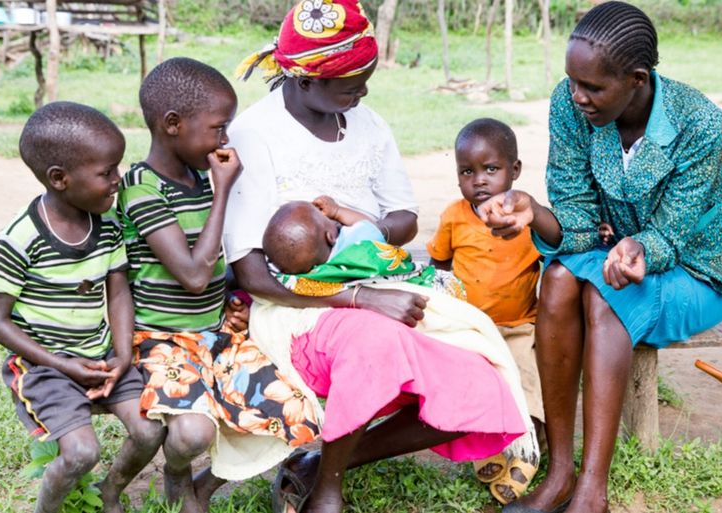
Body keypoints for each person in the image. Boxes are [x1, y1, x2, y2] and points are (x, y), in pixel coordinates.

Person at [226, 2, 533, 512]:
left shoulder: (368, 124)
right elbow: (253, 273)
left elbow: (405, 218)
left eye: (365, 80)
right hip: (295, 306)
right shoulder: (255, 136)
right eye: (350, 84)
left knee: (481, 373)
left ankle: (316, 463)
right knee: (377, 342)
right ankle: (328, 491)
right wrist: (361, 295)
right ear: (303, 81)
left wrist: (358, 230)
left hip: (385, 287)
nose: (363, 92)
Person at [479, 3, 722, 512]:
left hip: (698, 269)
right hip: (609, 252)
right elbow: (579, 223)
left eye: (593, 88)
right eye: (572, 82)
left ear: (637, 78)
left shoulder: (700, 124)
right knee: (558, 278)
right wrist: (531, 209)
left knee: (604, 297)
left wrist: (641, 246)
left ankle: (591, 491)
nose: (577, 96)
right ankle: (559, 473)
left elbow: (672, 231)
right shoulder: (571, 105)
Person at [117, 57, 319, 513]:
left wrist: (237, 297)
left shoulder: (199, 179)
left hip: (216, 335)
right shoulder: (142, 188)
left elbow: (219, 267)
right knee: (192, 434)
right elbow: (192, 275)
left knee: (298, 413)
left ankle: (201, 483)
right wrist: (223, 190)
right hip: (160, 339)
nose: (225, 140)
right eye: (218, 128)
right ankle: (176, 472)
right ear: (173, 124)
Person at [0, 102, 165, 513]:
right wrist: (64, 366)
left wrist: (121, 356)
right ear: (60, 179)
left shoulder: (108, 224)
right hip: (44, 365)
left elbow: (118, 291)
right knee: (81, 453)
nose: (118, 180)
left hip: (100, 356)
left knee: (149, 431)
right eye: (106, 172)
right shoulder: (21, 237)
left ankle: (110, 492)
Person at [426, 118, 544, 505]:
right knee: (477, 387)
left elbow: (559, 249)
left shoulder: (527, 220)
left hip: (518, 326)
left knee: (526, 384)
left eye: (490, 169)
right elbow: (440, 265)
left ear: (515, 170)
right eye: (467, 171)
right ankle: (488, 448)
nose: (478, 180)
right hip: (471, 330)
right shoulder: (454, 217)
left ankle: (528, 448)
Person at [263, 197, 384, 275]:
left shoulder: (303, 278)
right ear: (330, 238)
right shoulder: (352, 242)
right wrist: (337, 212)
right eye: (322, 216)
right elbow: (373, 228)